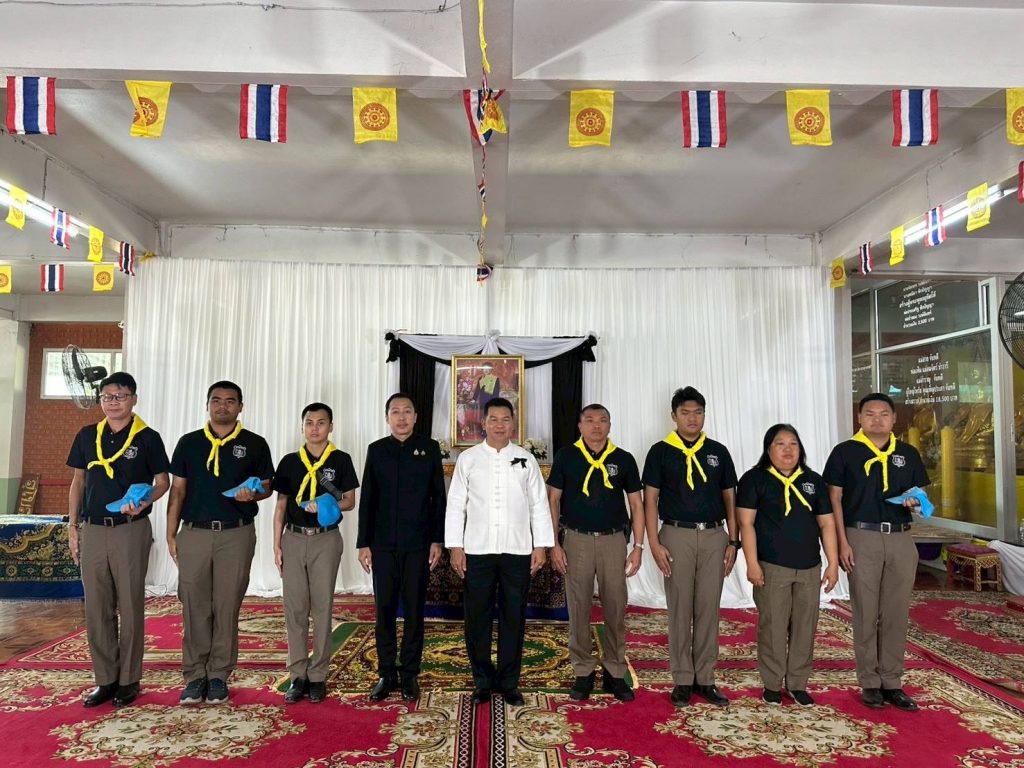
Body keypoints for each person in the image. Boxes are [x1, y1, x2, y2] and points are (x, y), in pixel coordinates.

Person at [166, 380, 274, 706]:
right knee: (194, 605)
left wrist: (253, 494)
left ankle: (218, 676)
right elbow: (178, 490)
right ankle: (194, 675)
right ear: (207, 405)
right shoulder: (189, 443)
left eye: (230, 401)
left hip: (235, 534)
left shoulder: (254, 443)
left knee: (226, 606)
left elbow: (267, 486)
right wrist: (171, 533)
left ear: (240, 407)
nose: (222, 406)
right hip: (194, 532)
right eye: (216, 400)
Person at [67, 372, 170, 708]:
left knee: (129, 603)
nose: (113, 402)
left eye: (120, 396)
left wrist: (146, 500)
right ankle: (105, 679)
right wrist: (72, 526)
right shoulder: (87, 435)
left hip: (130, 528)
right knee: (97, 606)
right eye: (107, 396)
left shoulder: (147, 437)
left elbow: (163, 482)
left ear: (134, 399)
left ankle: (129, 679)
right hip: (93, 528)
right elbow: (78, 482)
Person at [445, 397, 555, 707]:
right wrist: (456, 546)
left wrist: (540, 546)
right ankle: (482, 680)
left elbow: (538, 504)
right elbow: (456, 504)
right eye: (493, 419)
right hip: (477, 549)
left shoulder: (525, 459)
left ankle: (509, 682)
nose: (499, 425)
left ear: (513, 423)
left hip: (517, 549)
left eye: (505, 419)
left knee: (513, 616)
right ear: (483, 423)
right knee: (476, 617)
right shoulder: (468, 459)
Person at [824, 392, 929, 712]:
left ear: (894, 419)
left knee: (896, 612)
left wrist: (916, 501)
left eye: (884, 414)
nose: (877, 420)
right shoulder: (845, 452)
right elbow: (834, 500)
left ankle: (892, 681)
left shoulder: (907, 453)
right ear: (859, 418)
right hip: (861, 536)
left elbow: (922, 496)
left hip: (900, 538)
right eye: (870, 414)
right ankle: (870, 681)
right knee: (866, 611)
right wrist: (842, 542)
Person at [642, 386, 738, 707]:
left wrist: (733, 541)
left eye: (698, 412)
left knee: (709, 607)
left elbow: (729, 497)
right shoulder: (660, 452)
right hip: (676, 535)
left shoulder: (718, 452)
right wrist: (654, 543)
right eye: (685, 413)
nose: (692, 418)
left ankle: (706, 678)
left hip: (713, 535)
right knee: (680, 607)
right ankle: (683, 678)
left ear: (704, 415)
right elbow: (650, 500)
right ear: (674, 416)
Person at [547, 404, 644, 702]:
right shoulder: (567, 456)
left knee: (615, 605)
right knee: (579, 606)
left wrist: (638, 547)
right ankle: (583, 670)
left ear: (610, 425)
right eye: (589, 420)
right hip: (576, 539)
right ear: (580, 426)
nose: (596, 426)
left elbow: (637, 504)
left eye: (602, 420)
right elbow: (553, 500)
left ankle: (614, 670)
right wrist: (554, 544)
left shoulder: (623, 459)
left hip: (613, 540)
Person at [737, 424, 839, 707]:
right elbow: (746, 524)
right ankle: (772, 683)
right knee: (773, 625)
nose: (787, 450)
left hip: (809, 566)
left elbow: (826, 524)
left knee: (805, 626)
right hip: (772, 566)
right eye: (780, 444)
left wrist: (832, 563)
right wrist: (752, 563)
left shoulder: (813, 481)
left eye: (793, 443)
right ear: (768, 448)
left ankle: (797, 683)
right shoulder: (754, 479)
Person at [358, 393, 446, 702]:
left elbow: (438, 497)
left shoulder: (429, 449)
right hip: (382, 545)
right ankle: (386, 672)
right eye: (395, 412)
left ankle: (410, 674)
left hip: (418, 544)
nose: (402, 417)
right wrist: (363, 543)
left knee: (413, 609)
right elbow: (368, 498)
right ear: (387, 418)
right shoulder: (377, 450)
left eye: (407, 411)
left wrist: (437, 540)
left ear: (416, 417)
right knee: (384, 610)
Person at [272, 403, 358, 704]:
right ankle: (298, 674)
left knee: (322, 607)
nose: (315, 428)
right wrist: (277, 544)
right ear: (302, 427)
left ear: (330, 427)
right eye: (309, 422)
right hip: (294, 538)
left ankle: (318, 674)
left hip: (326, 539)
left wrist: (325, 504)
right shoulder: (290, 462)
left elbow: (350, 501)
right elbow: (281, 506)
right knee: (295, 608)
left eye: (321, 423)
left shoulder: (340, 460)